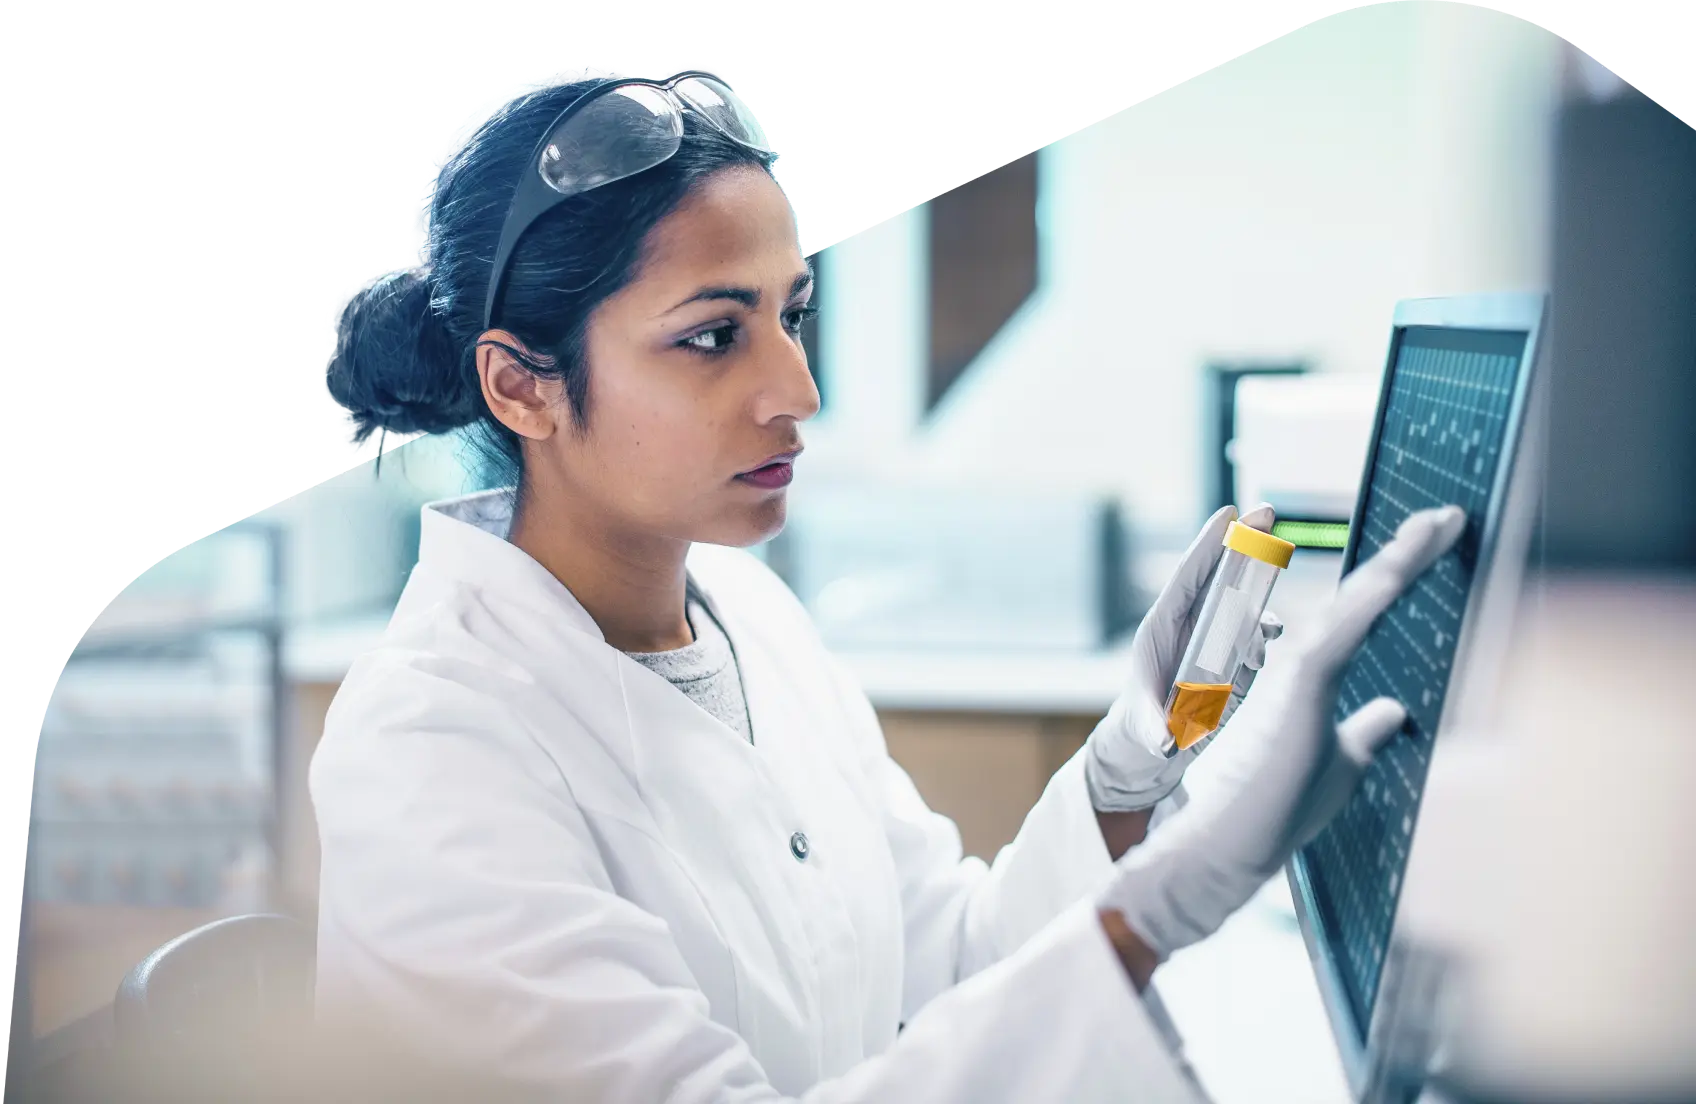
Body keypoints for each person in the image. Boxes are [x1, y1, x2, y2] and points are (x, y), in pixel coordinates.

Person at [312, 64, 1467, 1103]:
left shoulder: (750, 618)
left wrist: (1133, 767)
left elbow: (956, 965)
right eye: (714, 337)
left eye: (792, 315)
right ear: (521, 388)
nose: (795, 390)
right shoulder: (431, 744)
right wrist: (1158, 911)